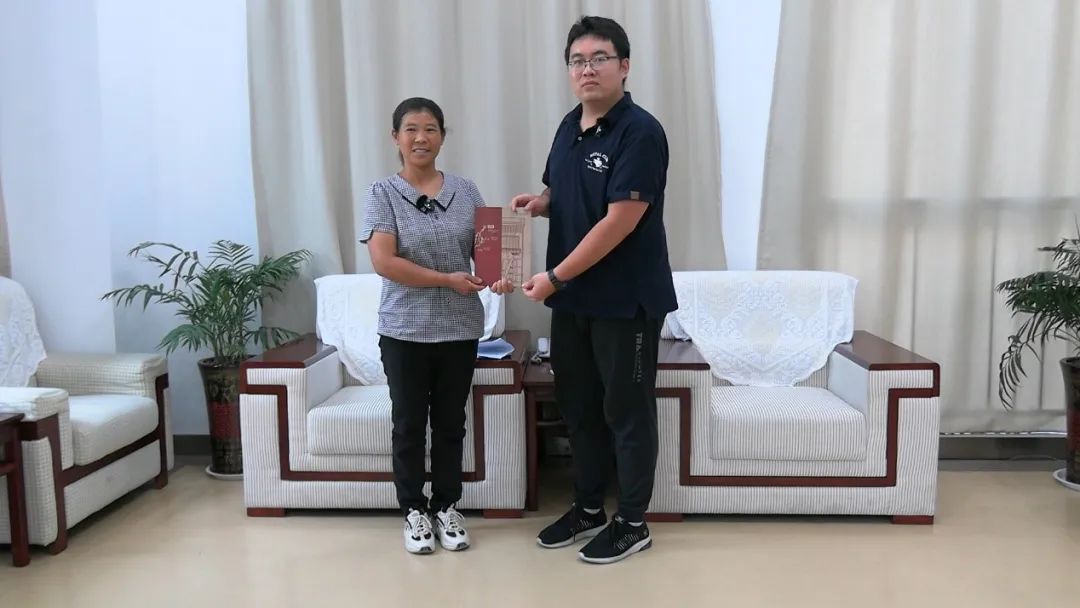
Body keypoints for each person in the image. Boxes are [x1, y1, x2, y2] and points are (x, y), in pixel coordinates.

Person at [512, 16, 676, 565]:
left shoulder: (640, 132)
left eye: (599, 58)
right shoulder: (569, 125)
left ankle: (632, 521)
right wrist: (541, 204)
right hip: (573, 299)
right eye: (578, 61)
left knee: (626, 411)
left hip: (625, 301)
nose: (588, 69)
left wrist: (555, 276)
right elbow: (563, 188)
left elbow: (619, 221)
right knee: (579, 407)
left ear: (624, 66)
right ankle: (587, 508)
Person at [360, 97, 514, 555]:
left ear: (442, 137)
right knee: (409, 423)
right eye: (410, 129)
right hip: (404, 332)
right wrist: (446, 279)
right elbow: (384, 261)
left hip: (460, 329)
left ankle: (447, 506)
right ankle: (413, 510)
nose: (420, 138)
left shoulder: (466, 191)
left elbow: (488, 255)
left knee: (451, 424)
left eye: (430, 129)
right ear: (396, 138)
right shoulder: (382, 193)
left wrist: (502, 275)